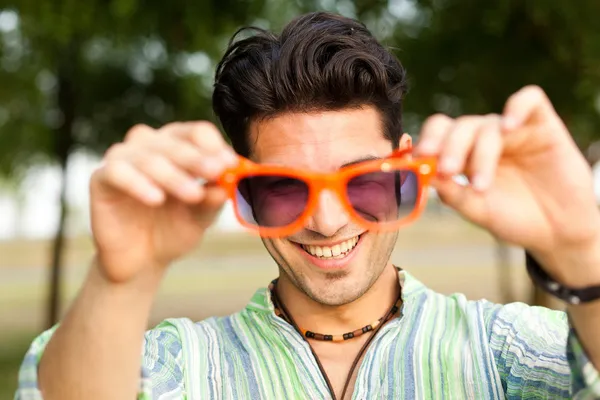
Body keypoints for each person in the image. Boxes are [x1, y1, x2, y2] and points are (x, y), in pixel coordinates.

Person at [15, 12, 600, 400]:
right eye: (285, 189)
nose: (327, 221)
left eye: (363, 183)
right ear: (241, 186)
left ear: (402, 167)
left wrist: (582, 248)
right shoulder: (182, 365)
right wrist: (123, 277)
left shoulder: (505, 349)